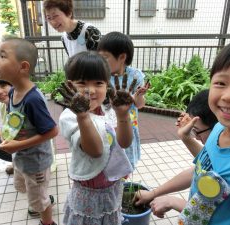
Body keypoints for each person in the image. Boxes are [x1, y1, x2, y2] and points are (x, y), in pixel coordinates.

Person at [137, 36, 230, 224]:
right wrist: (155, 193)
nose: (229, 96)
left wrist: (177, 203)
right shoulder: (220, 129)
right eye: (221, 83)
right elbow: (202, 171)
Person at [58, 51, 134, 225]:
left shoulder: (107, 110)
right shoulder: (69, 117)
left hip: (111, 185)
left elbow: (124, 142)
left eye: (98, 83)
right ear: (71, 85)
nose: (90, 90)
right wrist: (83, 116)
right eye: (82, 83)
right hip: (88, 190)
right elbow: (96, 151)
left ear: (107, 85)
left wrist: (123, 115)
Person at [0, 37, 59, 225]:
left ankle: (47, 221)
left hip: (36, 162)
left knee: (39, 198)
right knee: (31, 191)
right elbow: (16, 122)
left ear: (23, 67)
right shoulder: (13, 91)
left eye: (3, 56)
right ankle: (40, 199)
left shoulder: (33, 100)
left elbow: (53, 131)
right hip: (21, 158)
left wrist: (18, 144)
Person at [134, 89, 218, 218]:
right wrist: (154, 193)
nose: (196, 137)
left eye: (196, 130)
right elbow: (201, 169)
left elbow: (222, 218)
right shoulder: (220, 147)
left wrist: (174, 202)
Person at [97, 31, 150, 169]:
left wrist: (137, 97)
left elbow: (139, 105)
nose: (101, 62)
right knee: (109, 160)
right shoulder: (101, 76)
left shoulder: (135, 76)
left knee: (125, 162)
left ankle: (123, 182)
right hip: (107, 126)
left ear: (122, 57)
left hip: (127, 124)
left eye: (105, 58)